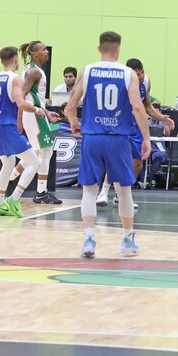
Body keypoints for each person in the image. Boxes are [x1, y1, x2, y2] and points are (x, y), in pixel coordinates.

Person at [65, 31, 151, 258]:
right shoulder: (128, 73)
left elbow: (70, 106)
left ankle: (88, 240)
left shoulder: (88, 70)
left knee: (89, 190)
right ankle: (127, 239)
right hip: (118, 138)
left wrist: (74, 123)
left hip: (92, 137)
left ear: (99, 48)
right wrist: (146, 137)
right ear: (118, 49)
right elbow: (138, 108)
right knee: (123, 190)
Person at [0, 46, 57, 218]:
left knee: (8, 163)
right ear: (16, 60)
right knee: (35, 161)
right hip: (7, 127)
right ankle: (14, 199)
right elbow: (21, 103)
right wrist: (37, 110)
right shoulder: (14, 78)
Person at [97, 58, 174, 207]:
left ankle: (121, 195)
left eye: (142, 72)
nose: (140, 76)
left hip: (136, 125)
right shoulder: (119, 83)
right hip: (120, 123)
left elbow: (148, 106)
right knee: (115, 159)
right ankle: (104, 192)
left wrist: (163, 118)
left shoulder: (146, 81)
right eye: (137, 74)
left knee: (138, 163)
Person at [12, 41, 62, 205]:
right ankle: (40, 192)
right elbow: (22, 96)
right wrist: (19, 120)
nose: (47, 52)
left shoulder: (33, 69)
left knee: (39, 152)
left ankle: (10, 177)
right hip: (33, 115)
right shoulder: (33, 71)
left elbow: (34, 97)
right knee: (45, 152)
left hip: (37, 113)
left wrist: (47, 112)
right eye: (43, 49)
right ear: (34, 53)